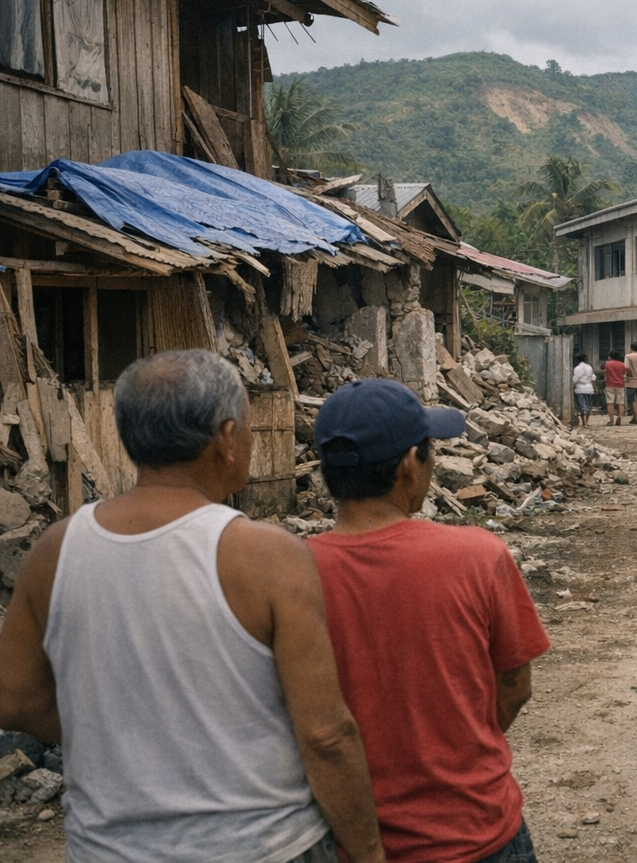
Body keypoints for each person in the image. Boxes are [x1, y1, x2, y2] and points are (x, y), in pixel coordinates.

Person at [0, 350, 383, 863]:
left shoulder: (55, 551)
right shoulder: (266, 555)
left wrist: (122, 736)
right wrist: (369, 852)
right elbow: (326, 733)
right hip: (261, 847)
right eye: (246, 424)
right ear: (225, 438)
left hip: (110, 849)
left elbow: (15, 698)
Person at [308, 379, 552, 863]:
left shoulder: (290, 572)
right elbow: (515, 686)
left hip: (348, 843)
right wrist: (455, 751)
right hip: (477, 832)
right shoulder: (477, 555)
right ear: (408, 466)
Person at [602, 349, 626, 426]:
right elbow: (625, 372)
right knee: (621, 402)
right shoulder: (622, 364)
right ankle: (620, 417)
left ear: (610, 356)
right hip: (620, 385)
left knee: (610, 403)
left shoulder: (607, 363)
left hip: (609, 384)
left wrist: (608, 361)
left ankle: (611, 420)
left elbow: (601, 367)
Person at [571, 353, 595, 427]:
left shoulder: (577, 368)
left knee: (582, 406)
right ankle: (587, 422)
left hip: (580, 389)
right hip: (589, 388)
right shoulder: (589, 367)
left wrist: (572, 385)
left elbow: (575, 379)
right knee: (588, 405)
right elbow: (593, 378)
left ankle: (584, 423)